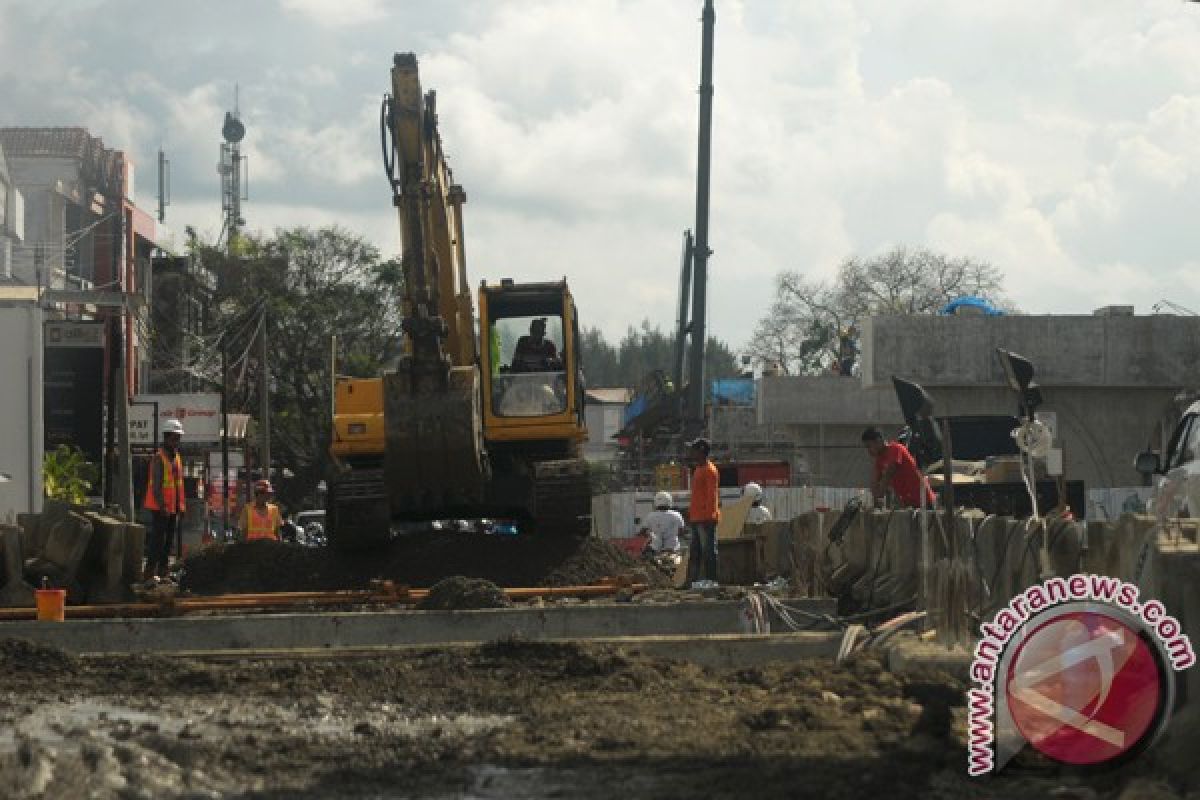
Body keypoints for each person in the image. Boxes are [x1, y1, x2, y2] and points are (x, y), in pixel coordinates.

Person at [143, 418, 187, 582]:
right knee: (157, 541)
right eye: (175, 438)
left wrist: (181, 507)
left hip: (172, 508)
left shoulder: (176, 458)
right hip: (161, 508)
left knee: (168, 541)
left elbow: (178, 485)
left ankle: (163, 571)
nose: (177, 441)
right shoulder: (158, 458)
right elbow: (156, 486)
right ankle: (149, 572)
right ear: (167, 437)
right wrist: (162, 506)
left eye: (178, 438)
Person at [862, 427, 936, 509]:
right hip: (908, 503)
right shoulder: (879, 460)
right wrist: (875, 495)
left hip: (924, 500)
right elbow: (874, 481)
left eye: (869, 446)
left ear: (878, 441)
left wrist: (879, 495)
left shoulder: (895, 449)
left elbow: (889, 472)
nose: (868, 450)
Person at [686, 437, 721, 583]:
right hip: (696, 518)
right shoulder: (699, 469)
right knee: (696, 552)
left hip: (705, 519)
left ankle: (711, 581)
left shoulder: (709, 470)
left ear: (701, 452)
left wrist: (709, 516)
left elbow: (712, 496)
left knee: (708, 552)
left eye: (694, 450)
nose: (691, 453)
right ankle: (693, 581)